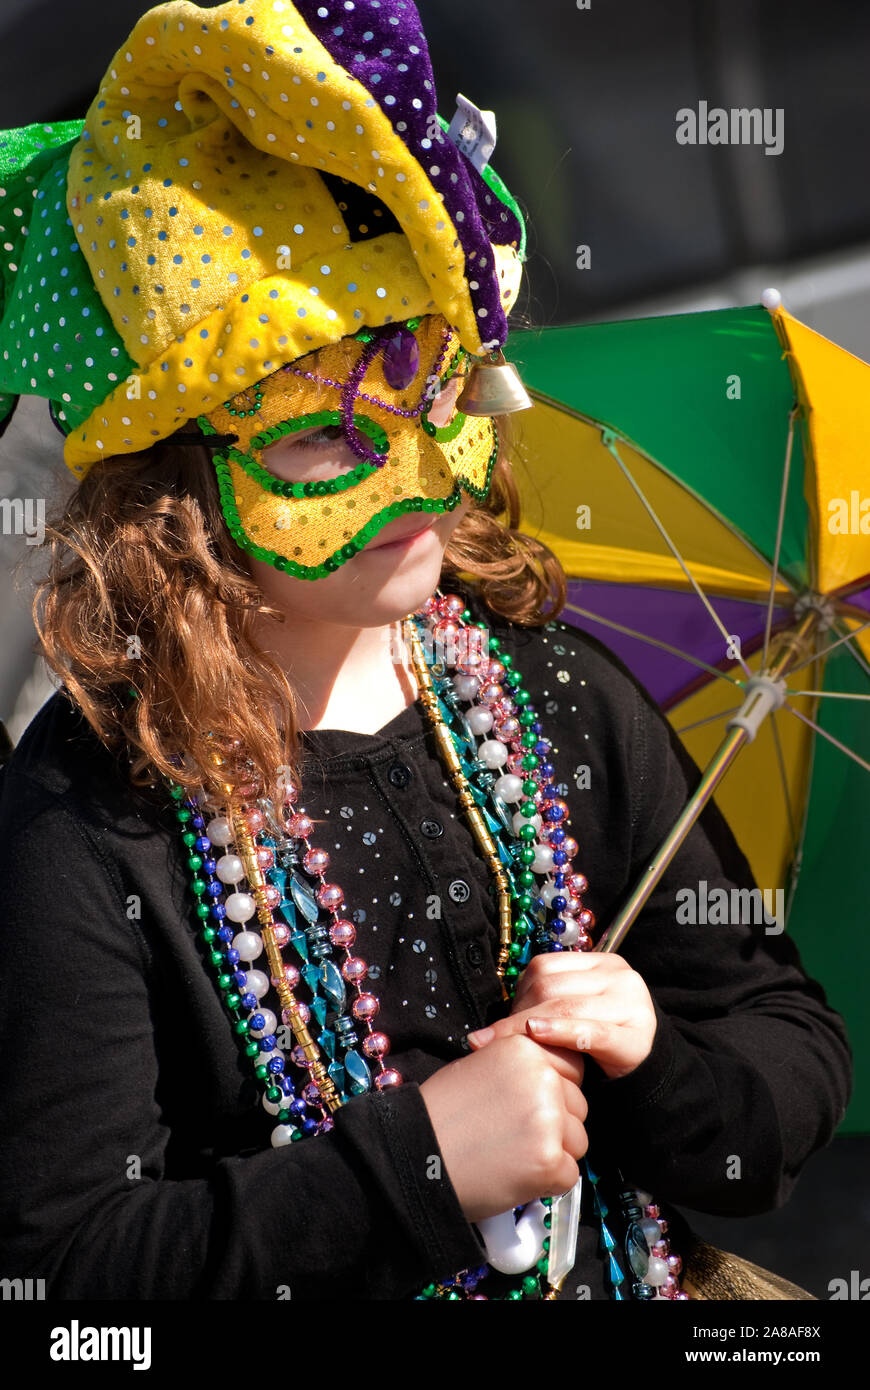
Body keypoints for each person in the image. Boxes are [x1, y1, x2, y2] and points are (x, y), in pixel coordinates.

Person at [0, 0, 851, 1302]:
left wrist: (653, 1062)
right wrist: (422, 1164)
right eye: (330, 439)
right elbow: (68, 1274)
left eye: (432, 397)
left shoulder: (558, 696)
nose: (415, 478)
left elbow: (780, 1077)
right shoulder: (90, 813)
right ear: (171, 496)